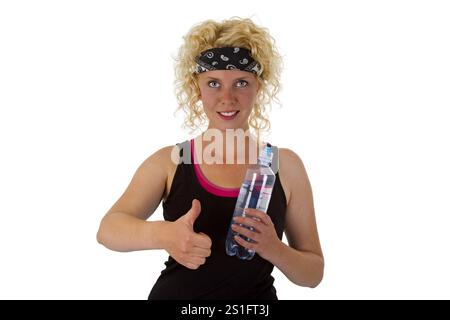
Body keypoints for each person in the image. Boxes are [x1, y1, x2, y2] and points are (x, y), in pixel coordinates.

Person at [97, 17, 324, 300]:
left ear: (259, 86)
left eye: (241, 82)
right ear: (197, 88)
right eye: (213, 83)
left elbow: (313, 273)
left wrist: (274, 248)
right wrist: (164, 235)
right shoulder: (171, 161)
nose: (227, 98)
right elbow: (108, 229)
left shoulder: (285, 166)